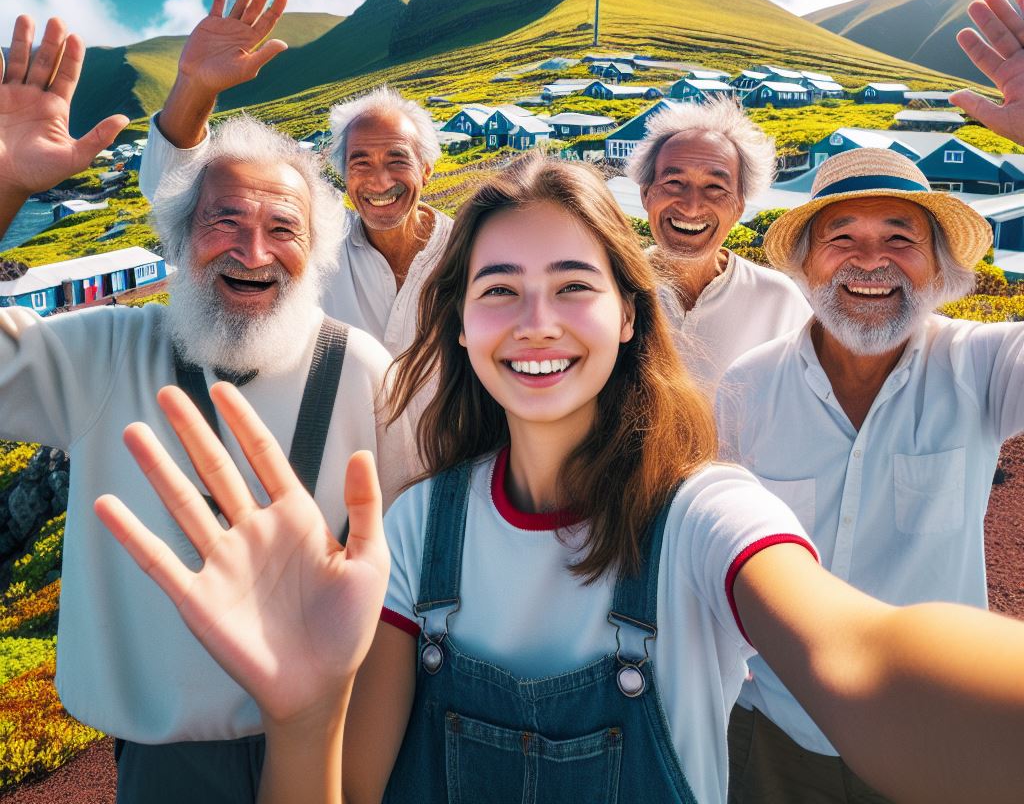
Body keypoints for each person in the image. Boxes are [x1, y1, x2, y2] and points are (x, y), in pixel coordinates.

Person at [102, 153, 1024, 804]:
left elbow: (859, 657)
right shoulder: (418, 529)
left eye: (574, 285)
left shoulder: (706, 511)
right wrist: (301, 716)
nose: (536, 320)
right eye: (499, 288)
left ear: (629, 316)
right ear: (461, 324)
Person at [0, 14, 411, 804]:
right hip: (171, 759)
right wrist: (8, 184)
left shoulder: (363, 370)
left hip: (339, 738)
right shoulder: (105, 353)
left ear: (318, 253)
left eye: (282, 229)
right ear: (181, 240)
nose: (253, 252)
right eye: (224, 221)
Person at [713, 142, 1018, 802]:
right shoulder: (748, 385)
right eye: (841, 236)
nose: (871, 258)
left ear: (939, 261)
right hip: (775, 733)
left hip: (935, 737)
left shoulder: (986, 366)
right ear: (806, 261)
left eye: (899, 237)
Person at [137, 0, 453, 367]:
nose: (379, 180)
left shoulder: (469, 250)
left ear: (426, 170)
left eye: (397, 160)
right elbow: (172, 186)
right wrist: (194, 87)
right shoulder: (320, 244)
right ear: (343, 175)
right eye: (360, 163)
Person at [626, 98, 810, 390]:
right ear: (646, 194)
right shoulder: (615, 288)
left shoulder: (779, 300)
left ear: (738, 207)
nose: (691, 206)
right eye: (674, 182)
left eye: (715, 187)